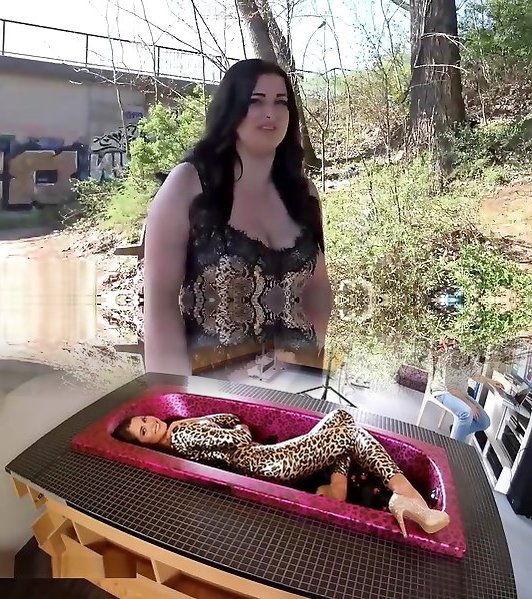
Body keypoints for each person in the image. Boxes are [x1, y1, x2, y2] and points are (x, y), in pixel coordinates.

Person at [143, 59, 333, 377]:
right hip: (214, 388)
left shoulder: (304, 195)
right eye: (256, 101)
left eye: (280, 102)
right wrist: (178, 396)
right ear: (231, 108)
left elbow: (318, 291)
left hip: (299, 385)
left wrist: (312, 358)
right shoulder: (188, 185)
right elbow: (160, 305)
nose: (270, 113)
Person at [115, 409, 450, 538]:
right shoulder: (181, 435)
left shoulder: (179, 427)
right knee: (348, 433)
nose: (150, 424)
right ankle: (409, 500)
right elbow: (235, 435)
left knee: (341, 418)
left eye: (145, 420)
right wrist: (241, 429)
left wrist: (224, 423)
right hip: (268, 462)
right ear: (147, 444)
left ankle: (338, 489)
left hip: (267, 459)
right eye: (144, 431)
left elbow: (227, 418)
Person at [430, 338, 501, 443]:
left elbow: (474, 375)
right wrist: (470, 405)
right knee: (466, 413)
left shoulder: (468, 355)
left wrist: (491, 381)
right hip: (443, 391)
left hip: (460, 393)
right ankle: (453, 446)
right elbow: (451, 388)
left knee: (484, 422)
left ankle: (456, 432)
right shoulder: (450, 355)